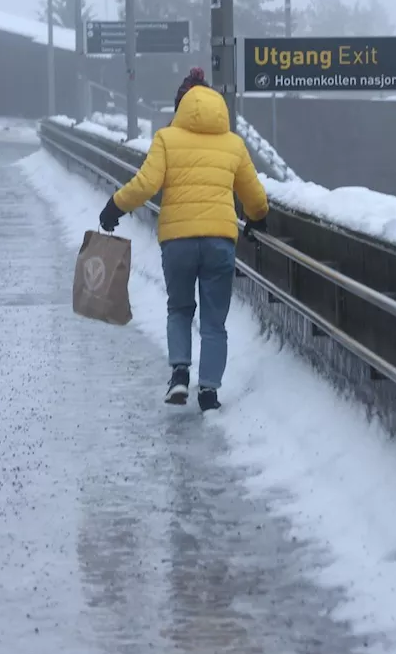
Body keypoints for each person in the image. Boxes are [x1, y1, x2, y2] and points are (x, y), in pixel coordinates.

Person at [98, 67, 269, 411]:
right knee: (214, 320)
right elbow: (256, 199)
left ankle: (179, 374)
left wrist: (114, 207)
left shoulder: (166, 138)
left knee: (179, 308)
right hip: (220, 241)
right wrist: (256, 220)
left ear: (181, 106)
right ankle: (208, 392)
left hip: (177, 242)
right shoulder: (233, 144)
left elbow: (146, 185)